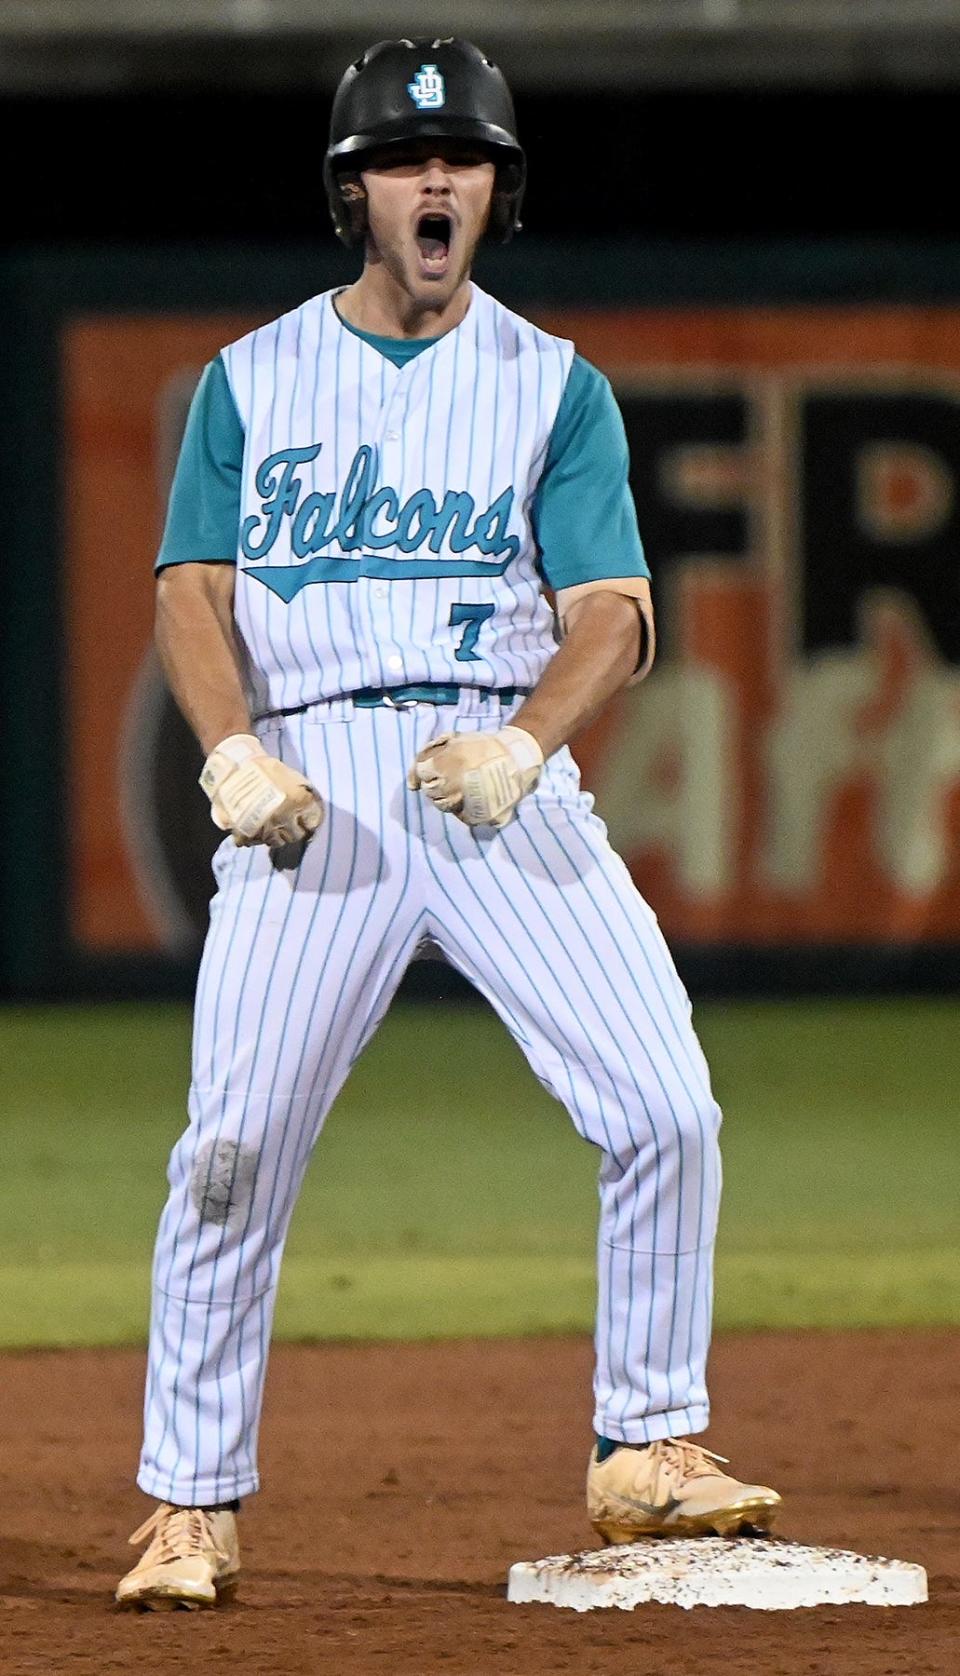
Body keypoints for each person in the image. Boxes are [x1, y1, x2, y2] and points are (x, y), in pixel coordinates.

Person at [115, 37, 780, 1610]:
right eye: (408, 163)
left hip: (496, 768)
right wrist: (229, 752)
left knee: (666, 1107)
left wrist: (530, 743)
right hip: (313, 784)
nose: (436, 182)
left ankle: (650, 1444)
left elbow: (614, 612)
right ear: (356, 192)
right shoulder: (251, 377)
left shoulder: (554, 385)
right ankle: (190, 1506)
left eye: (464, 163)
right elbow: (193, 593)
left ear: (496, 194)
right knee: (230, 1150)